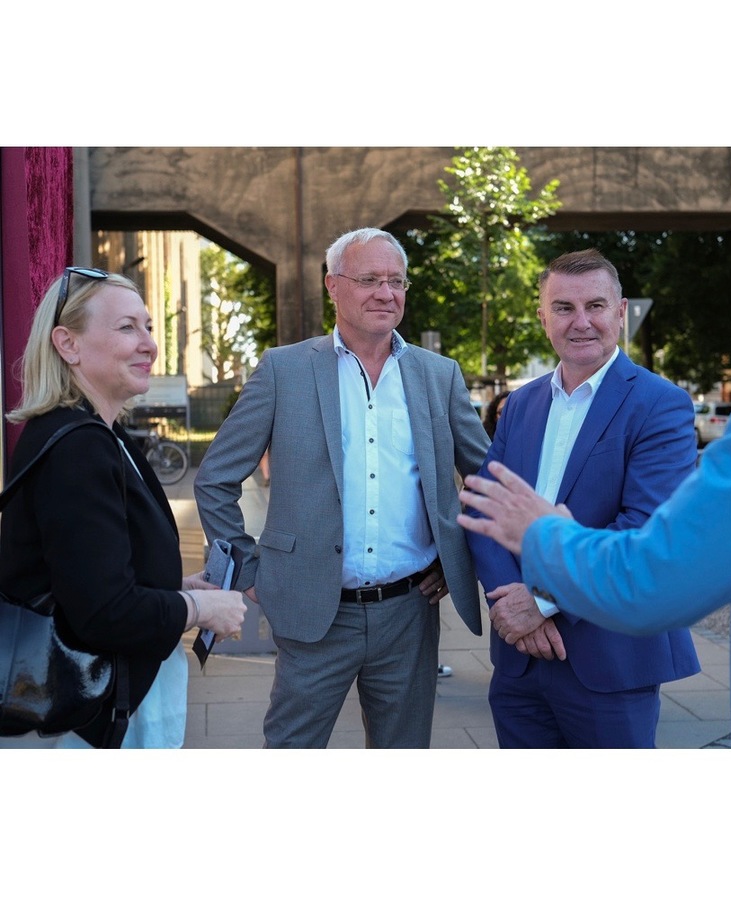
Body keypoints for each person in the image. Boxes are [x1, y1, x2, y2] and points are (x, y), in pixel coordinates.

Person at [458, 147, 731, 749]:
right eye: (563, 307)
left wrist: (538, 536)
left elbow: (658, 575)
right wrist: (504, 597)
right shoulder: (526, 402)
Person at [194, 227, 490, 748]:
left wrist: (455, 553)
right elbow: (216, 478)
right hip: (312, 612)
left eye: (396, 281)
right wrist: (248, 569)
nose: (386, 292)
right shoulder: (283, 370)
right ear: (333, 286)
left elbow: (488, 481)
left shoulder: (438, 375)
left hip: (409, 614)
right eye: (370, 279)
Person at [0, 267, 246, 749]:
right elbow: (104, 613)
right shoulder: (78, 447)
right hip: (76, 722)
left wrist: (173, 588)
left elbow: (83, 576)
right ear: (67, 344)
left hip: (98, 704)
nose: (150, 344)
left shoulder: (97, 433)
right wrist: (200, 607)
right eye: (127, 327)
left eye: (149, 327)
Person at [465, 250, 700, 748]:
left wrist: (543, 604)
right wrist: (510, 606)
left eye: (595, 305)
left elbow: (642, 533)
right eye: (564, 307)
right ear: (542, 316)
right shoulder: (522, 404)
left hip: (610, 657)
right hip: (519, 661)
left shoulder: (661, 404)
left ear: (621, 312)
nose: (582, 322)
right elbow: (484, 506)